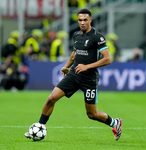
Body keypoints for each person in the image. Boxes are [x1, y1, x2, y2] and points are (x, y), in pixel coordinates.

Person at [24, 9, 122, 141]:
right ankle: (39, 127)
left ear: (90, 20)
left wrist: (86, 66)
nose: (82, 22)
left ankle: (114, 123)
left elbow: (107, 59)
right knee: (51, 98)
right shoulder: (76, 35)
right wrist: (66, 67)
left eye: (85, 20)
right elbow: (74, 54)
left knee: (91, 114)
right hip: (74, 74)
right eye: (80, 20)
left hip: (89, 79)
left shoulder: (97, 37)